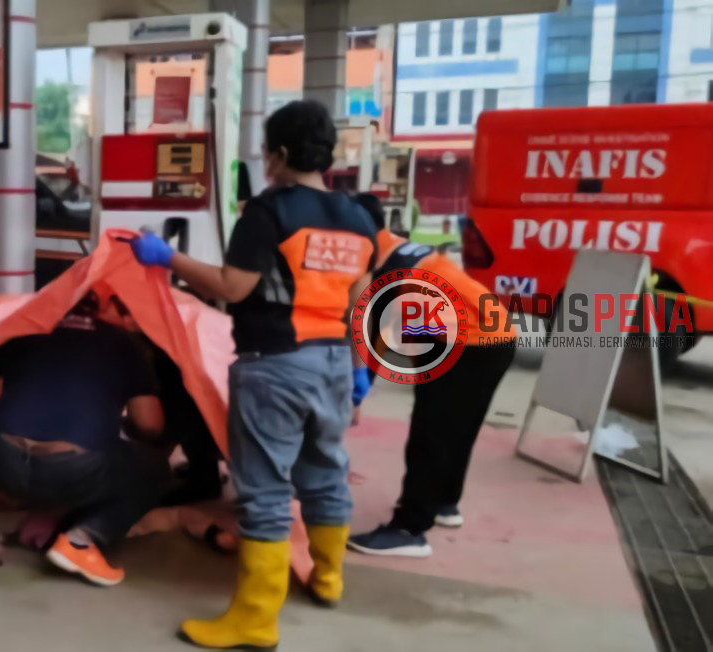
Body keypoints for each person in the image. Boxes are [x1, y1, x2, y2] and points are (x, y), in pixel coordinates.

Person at [130, 100, 376, 650]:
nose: (266, 160)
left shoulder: (269, 211)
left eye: (267, 149)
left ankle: (255, 619)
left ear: (281, 153)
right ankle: (329, 578)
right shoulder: (357, 216)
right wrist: (359, 371)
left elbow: (232, 287)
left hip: (276, 366)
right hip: (334, 362)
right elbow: (361, 303)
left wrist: (163, 257)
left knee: (263, 491)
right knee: (324, 475)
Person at [0, 294, 169, 587]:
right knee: (154, 466)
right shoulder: (124, 345)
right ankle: (81, 540)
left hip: (0, 459)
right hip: (73, 472)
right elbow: (151, 426)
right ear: (101, 309)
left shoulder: (28, 329)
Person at [346, 193, 517, 558]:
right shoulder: (394, 247)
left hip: (468, 342)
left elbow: (372, 334)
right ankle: (444, 503)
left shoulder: (377, 264)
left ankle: (410, 528)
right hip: (492, 334)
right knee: (457, 428)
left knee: (432, 433)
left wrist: (355, 392)